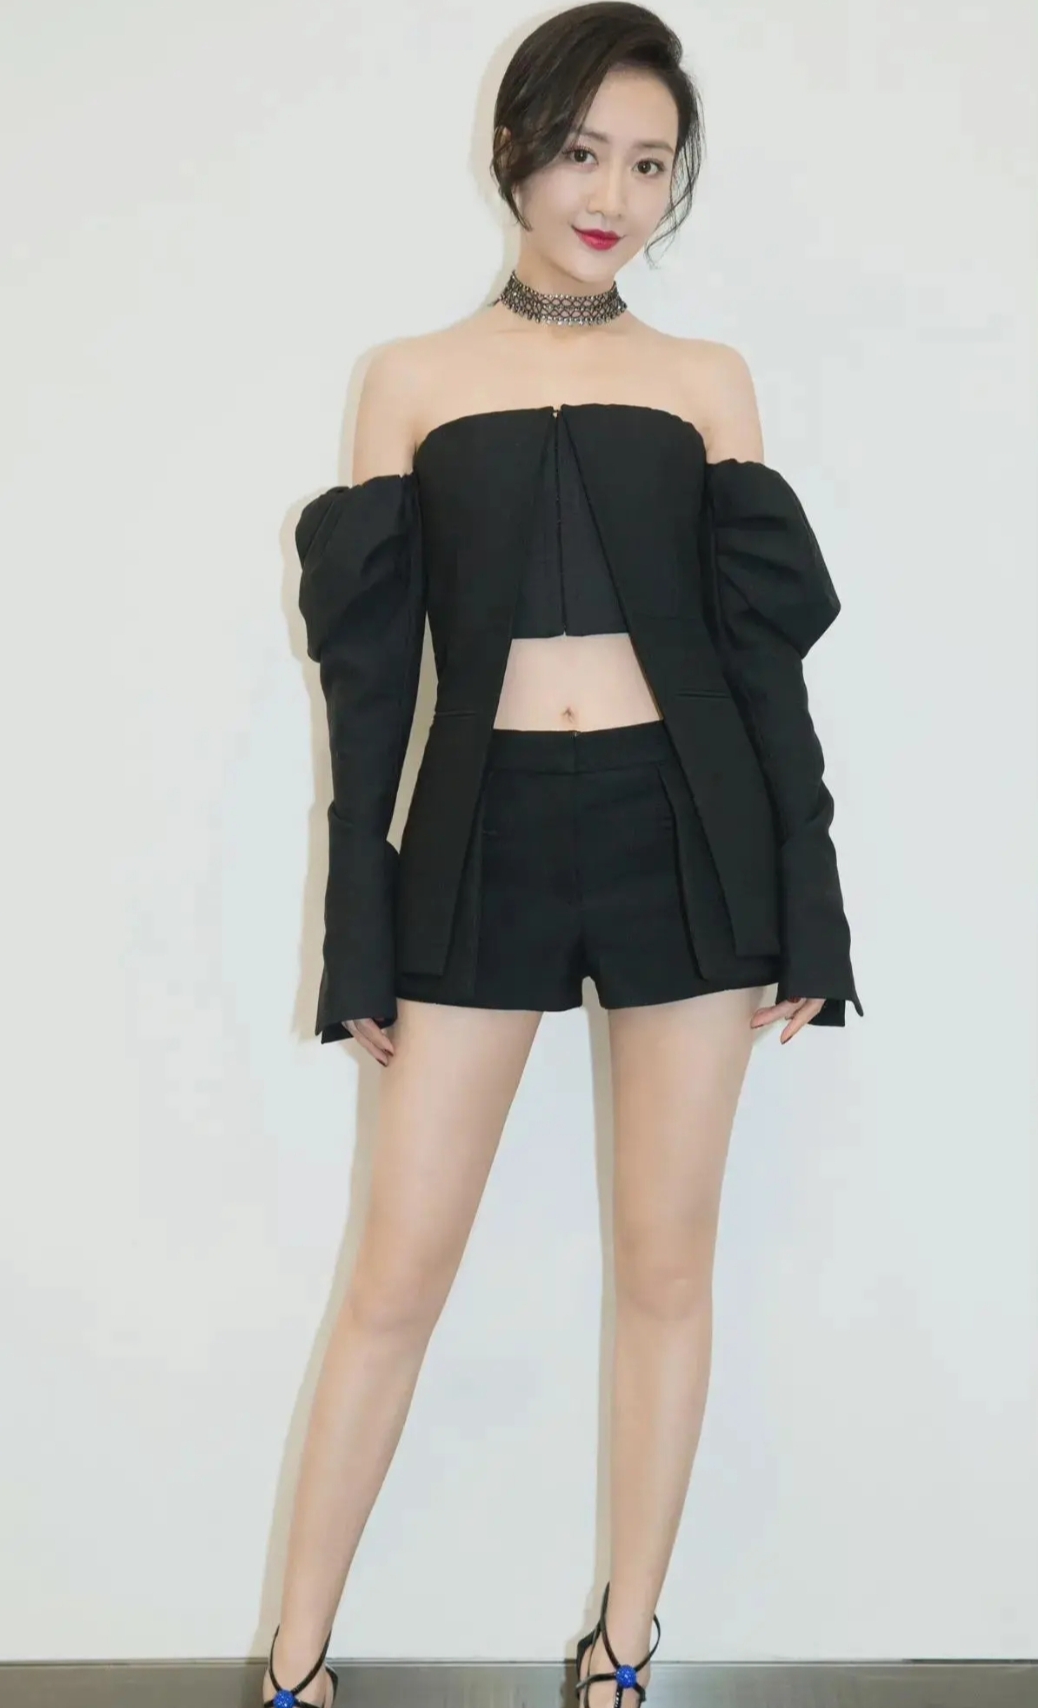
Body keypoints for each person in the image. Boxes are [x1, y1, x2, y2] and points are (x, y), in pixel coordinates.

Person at [265, 4, 862, 1705]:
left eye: (651, 164)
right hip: (481, 840)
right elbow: (367, 692)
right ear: (516, 148)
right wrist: (359, 931)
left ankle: (623, 1649)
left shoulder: (704, 381)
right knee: (397, 1273)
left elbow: (763, 667)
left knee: (666, 1265)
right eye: (586, 151)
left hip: (690, 833)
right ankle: (296, 1668)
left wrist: (811, 905)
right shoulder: (409, 378)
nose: (614, 194)